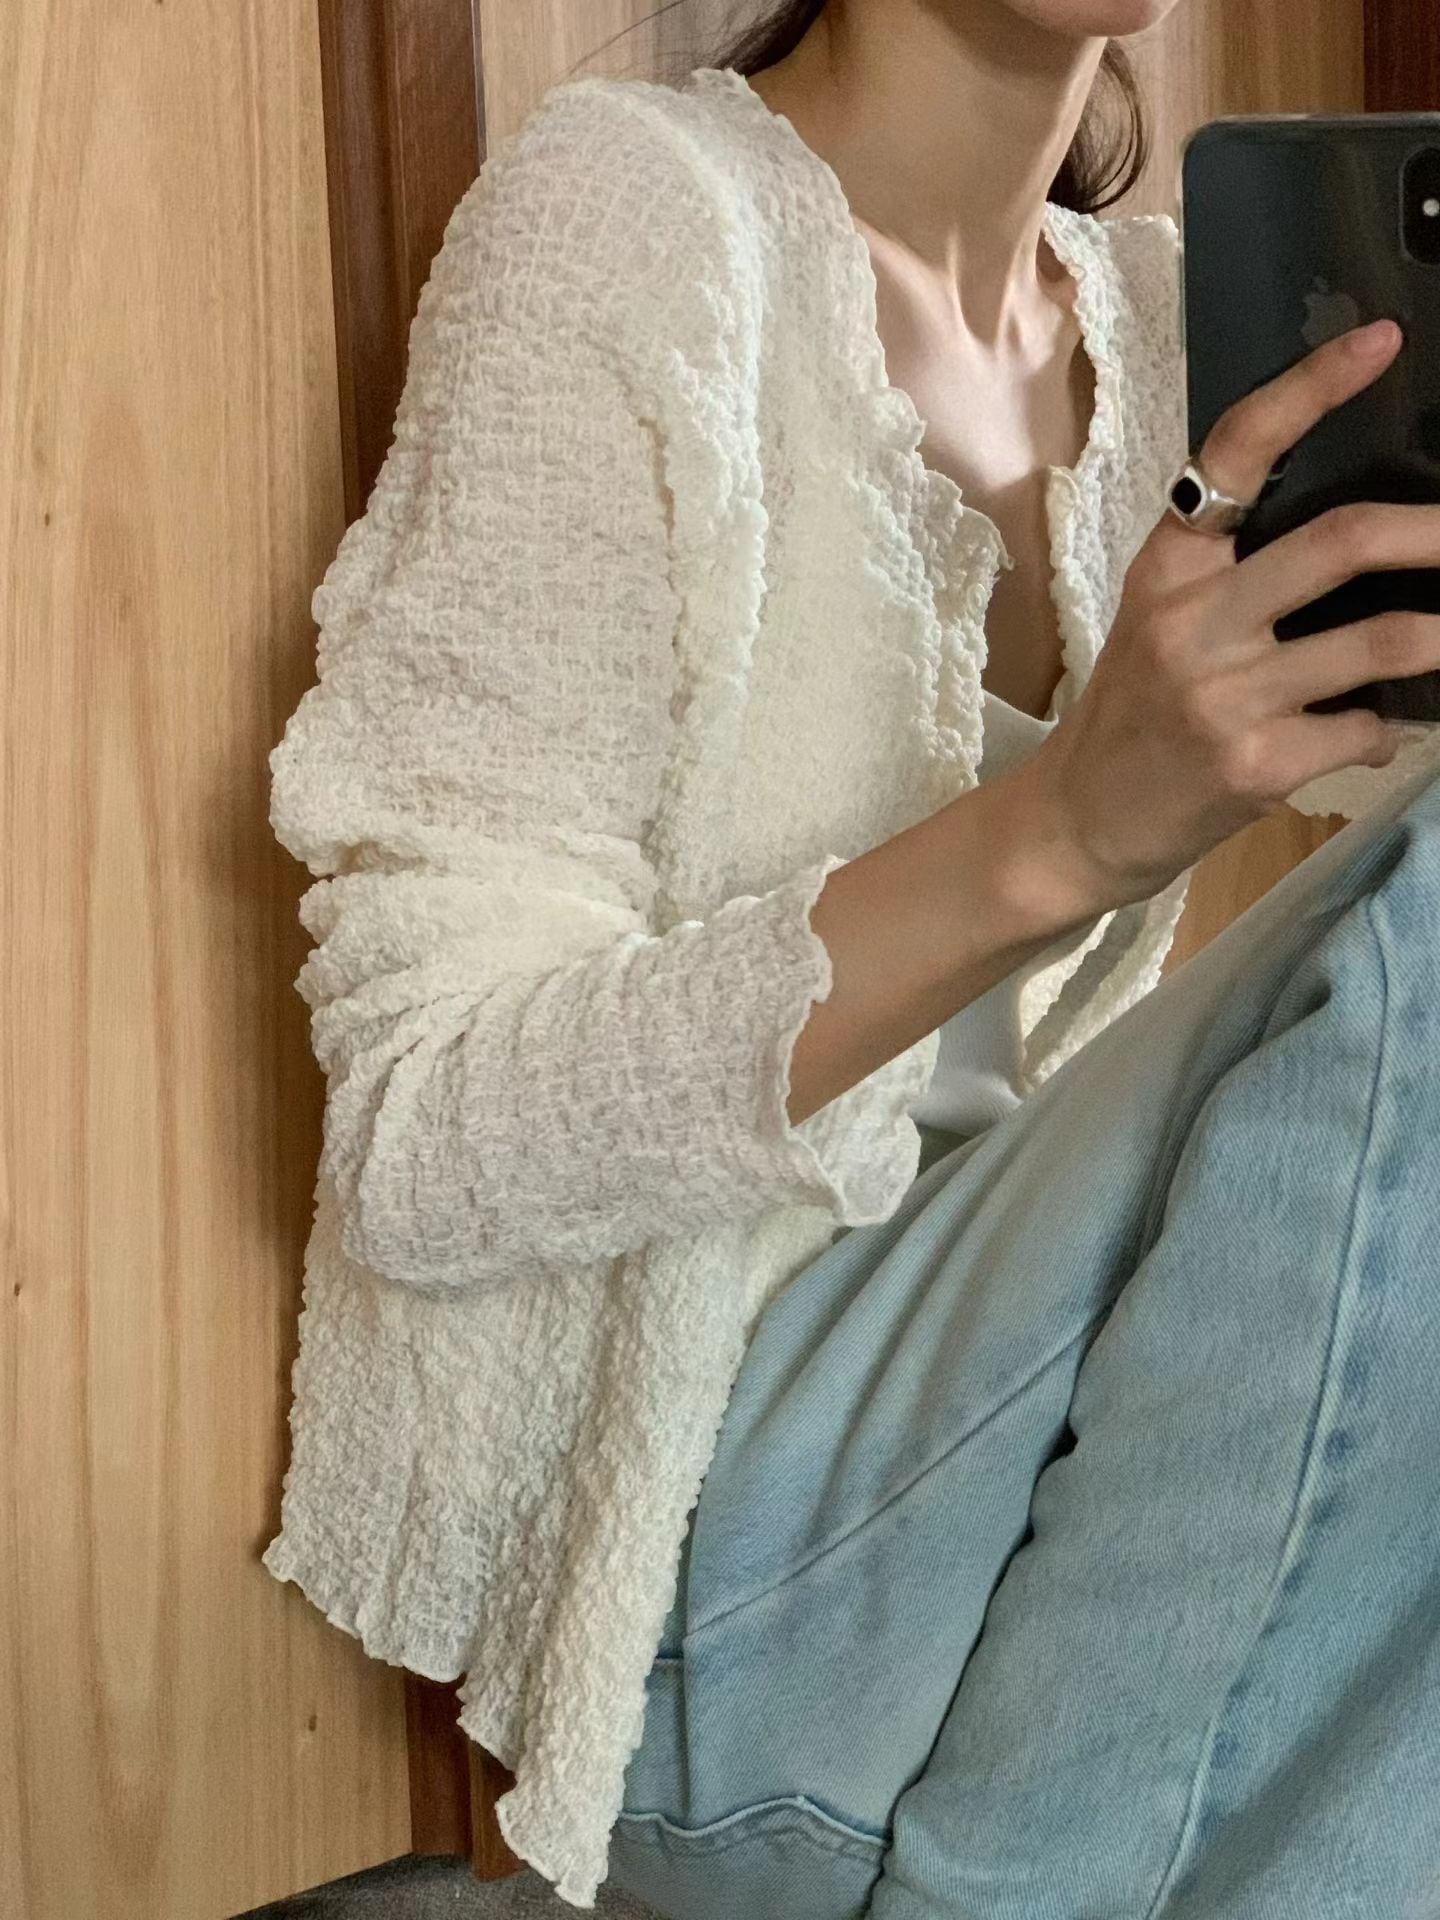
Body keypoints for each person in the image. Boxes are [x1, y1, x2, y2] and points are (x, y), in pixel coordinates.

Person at [260, 0, 1440, 1911]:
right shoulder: (641, 224)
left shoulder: (1166, 327)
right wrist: (1056, 834)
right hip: (703, 1570)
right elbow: (426, 1135)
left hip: (1049, 1518)